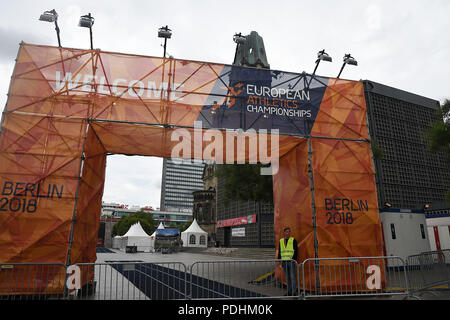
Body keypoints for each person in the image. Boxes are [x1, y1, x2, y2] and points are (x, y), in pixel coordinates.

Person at [277, 227, 298, 296]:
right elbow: (280, 251)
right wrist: (279, 260)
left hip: (291, 261)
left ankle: (294, 292)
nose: (287, 233)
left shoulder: (293, 240)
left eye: (289, 232)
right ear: (284, 233)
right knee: (287, 277)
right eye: (286, 232)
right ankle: (289, 292)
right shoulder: (281, 241)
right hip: (284, 262)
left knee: (293, 277)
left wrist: (293, 260)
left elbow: (296, 251)